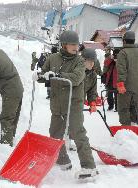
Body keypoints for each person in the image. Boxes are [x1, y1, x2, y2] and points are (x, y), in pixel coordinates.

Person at [32, 30, 98, 179]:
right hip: (57, 102)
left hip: (73, 103)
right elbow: (45, 73)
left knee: (77, 133)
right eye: (72, 44)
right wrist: (40, 75)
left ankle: (89, 167)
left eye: (77, 44)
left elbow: (76, 78)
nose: (76, 47)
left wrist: (57, 75)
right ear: (64, 45)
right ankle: (62, 161)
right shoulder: (53, 58)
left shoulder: (80, 61)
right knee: (55, 134)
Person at [116, 31, 138, 125]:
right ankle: (135, 128)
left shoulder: (123, 52)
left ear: (124, 41)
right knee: (135, 108)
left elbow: (122, 69)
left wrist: (121, 83)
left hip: (126, 88)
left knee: (124, 108)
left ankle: (126, 130)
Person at [82, 48, 98, 113]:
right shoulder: (75, 72)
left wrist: (92, 102)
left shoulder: (92, 75)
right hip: (67, 104)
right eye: (90, 61)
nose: (92, 64)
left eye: (93, 61)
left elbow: (92, 91)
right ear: (83, 60)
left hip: (79, 105)